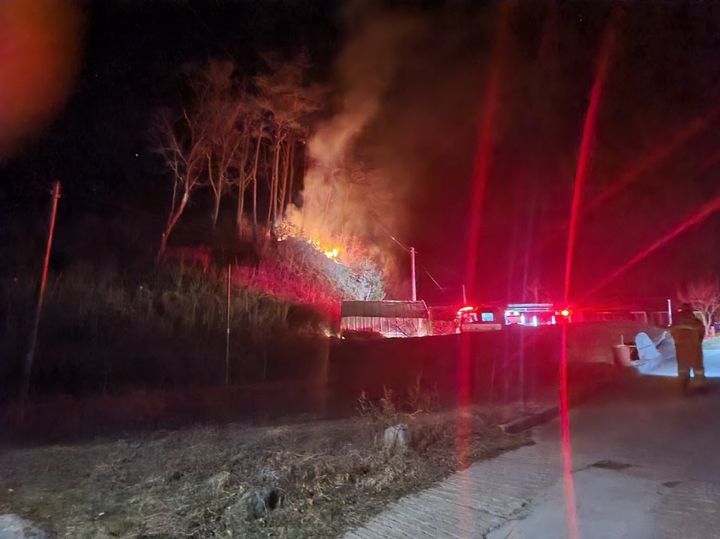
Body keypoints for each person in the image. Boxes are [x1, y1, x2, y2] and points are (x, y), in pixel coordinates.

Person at [670, 303, 706, 391]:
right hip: (695, 348)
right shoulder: (696, 322)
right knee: (698, 368)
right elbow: (702, 333)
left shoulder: (676, 323)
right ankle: (699, 385)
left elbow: (673, 333)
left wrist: (678, 342)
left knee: (683, 368)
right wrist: (698, 342)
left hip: (681, 349)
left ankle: (683, 385)